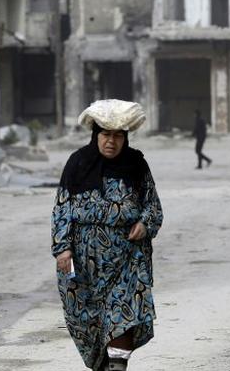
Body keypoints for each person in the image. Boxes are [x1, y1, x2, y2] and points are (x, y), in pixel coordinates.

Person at [52, 99, 163, 371]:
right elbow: (61, 207)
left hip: (127, 260)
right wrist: (63, 248)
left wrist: (145, 223)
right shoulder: (77, 163)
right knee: (85, 320)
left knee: (123, 315)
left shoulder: (136, 164)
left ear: (125, 138)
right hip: (83, 263)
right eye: (105, 135)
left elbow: (153, 206)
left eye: (117, 136)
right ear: (96, 136)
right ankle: (102, 364)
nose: (111, 142)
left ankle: (117, 366)